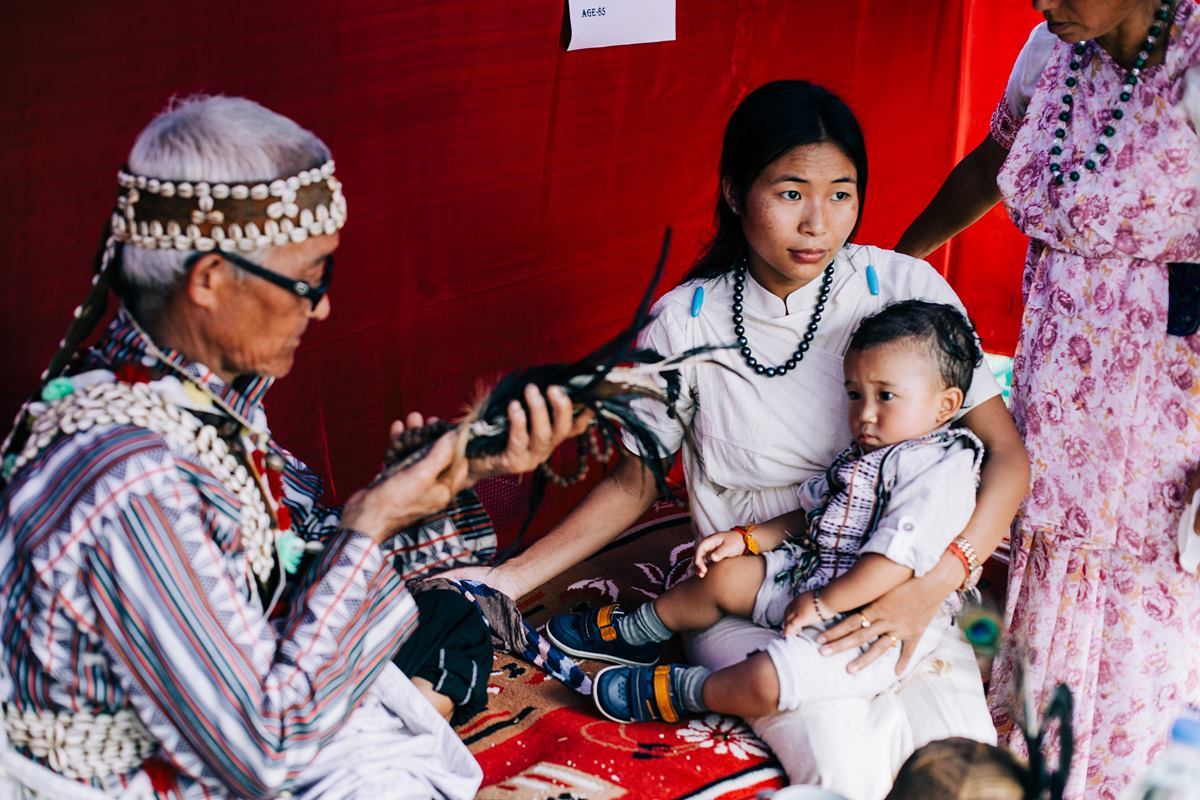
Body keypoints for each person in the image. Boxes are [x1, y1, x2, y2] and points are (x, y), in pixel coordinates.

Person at [443, 80, 1031, 797]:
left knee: (964, 769)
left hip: (909, 584)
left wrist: (935, 583)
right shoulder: (685, 321)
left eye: (841, 194)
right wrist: (503, 584)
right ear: (733, 191)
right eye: (790, 193)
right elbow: (634, 484)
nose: (818, 222)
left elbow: (1004, 454)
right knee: (848, 765)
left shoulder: (902, 288)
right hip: (760, 597)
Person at [0, 95, 585, 799]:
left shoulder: (183, 394)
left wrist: (438, 481)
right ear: (210, 280)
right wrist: (373, 522)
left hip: (227, 708)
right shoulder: (129, 473)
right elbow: (266, 750)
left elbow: (279, 567)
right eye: (311, 277)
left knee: (441, 621)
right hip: (142, 773)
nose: (323, 305)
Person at [895, 1, 1200, 796]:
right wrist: (894, 265)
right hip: (1059, 389)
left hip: (1166, 410)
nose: (1042, 0)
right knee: (1047, 580)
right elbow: (990, 166)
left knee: (1141, 614)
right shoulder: (1051, 51)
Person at [547, 301, 987, 728]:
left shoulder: (941, 468)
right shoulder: (870, 453)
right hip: (815, 573)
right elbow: (814, 512)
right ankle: (641, 633)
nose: (864, 414)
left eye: (885, 396)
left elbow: (893, 561)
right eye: (856, 394)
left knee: (769, 681)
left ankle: (690, 690)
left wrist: (822, 604)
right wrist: (749, 538)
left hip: (871, 621)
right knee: (721, 578)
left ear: (945, 406)